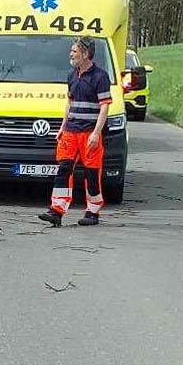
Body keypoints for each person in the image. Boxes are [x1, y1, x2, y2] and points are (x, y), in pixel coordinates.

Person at [39, 36, 112, 227]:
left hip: (89, 133)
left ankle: (93, 212)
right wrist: (63, 127)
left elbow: (104, 107)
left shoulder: (100, 76)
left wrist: (96, 133)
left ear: (85, 54)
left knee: (91, 173)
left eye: (74, 51)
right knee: (63, 169)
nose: (70, 54)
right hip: (70, 132)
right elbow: (69, 103)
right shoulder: (71, 75)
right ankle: (56, 210)